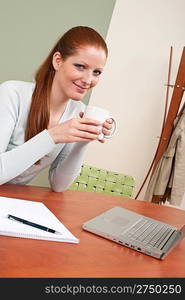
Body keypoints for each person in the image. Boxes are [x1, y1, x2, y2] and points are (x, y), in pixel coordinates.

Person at [0, 26, 112, 192]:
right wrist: (53, 136)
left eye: (96, 72)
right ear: (58, 61)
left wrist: (82, 142)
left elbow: (59, 185)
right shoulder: (12, 94)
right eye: (80, 66)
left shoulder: (77, 112)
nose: (88, 80)